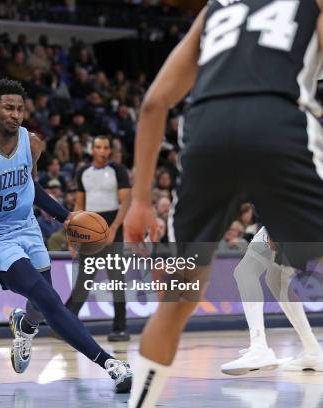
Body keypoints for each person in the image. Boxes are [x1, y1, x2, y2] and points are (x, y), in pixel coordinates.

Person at [123, 3, 323, 407]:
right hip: (280, 124)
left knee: (177, 299)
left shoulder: (216, 7)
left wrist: (141, 200)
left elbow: (152, 105)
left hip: (206, 133)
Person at [0, 79, 132, 394]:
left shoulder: (34, 143)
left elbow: (30, 186)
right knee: (49, 299)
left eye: (20, 109)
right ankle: (111, 365)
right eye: (8, 108)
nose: (15, 114)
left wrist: (66, 216)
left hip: (27, 227)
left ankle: (24, 327)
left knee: (41, 305)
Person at [221, 227, 323, 375]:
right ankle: (312, 351)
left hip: (286, 216)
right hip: (298, 216)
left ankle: (258, 348)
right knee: (276, 278)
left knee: (246, 271)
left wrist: (270, 227)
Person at [64, 134, 132, 342]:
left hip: (113, 225)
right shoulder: (83, 172)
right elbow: (79, 206)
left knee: (116, 280)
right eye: (98, 147)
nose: (102, 151)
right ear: (92, 150)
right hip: (90, 226)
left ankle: (120, 328)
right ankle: (65, 324)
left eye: (105, 147)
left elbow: (125, 202)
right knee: (84, 279)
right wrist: (72, 236)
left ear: (110, 151)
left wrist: (114, 227)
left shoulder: (118, 171)